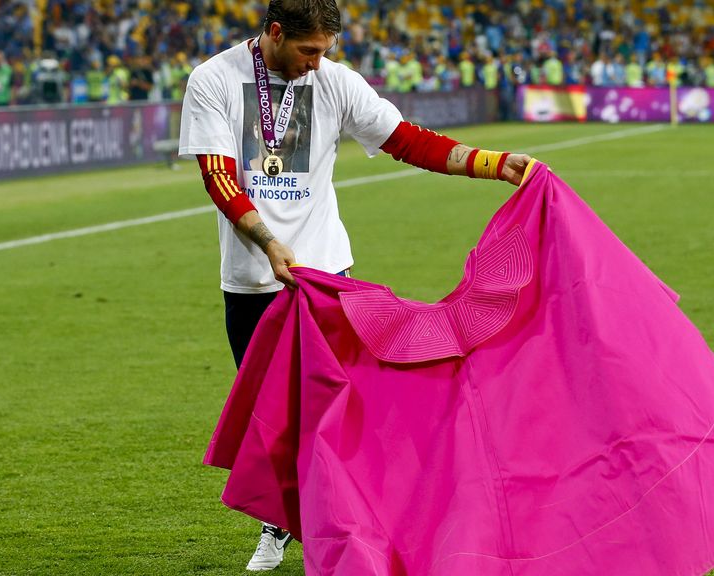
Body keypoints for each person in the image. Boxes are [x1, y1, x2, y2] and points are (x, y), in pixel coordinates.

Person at [177, 0, 530, 571]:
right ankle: (281, 520)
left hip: (326, 277)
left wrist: (492, 163)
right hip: (252, 279)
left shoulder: (336, 81)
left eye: (325, 51)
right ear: (274, 33)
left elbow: (408, 140)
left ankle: (346, 532)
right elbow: (219, 174)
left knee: (336, 416)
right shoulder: (214, 79)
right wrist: (267, 243)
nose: (317, 63)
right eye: (308, 50)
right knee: (274, 421)